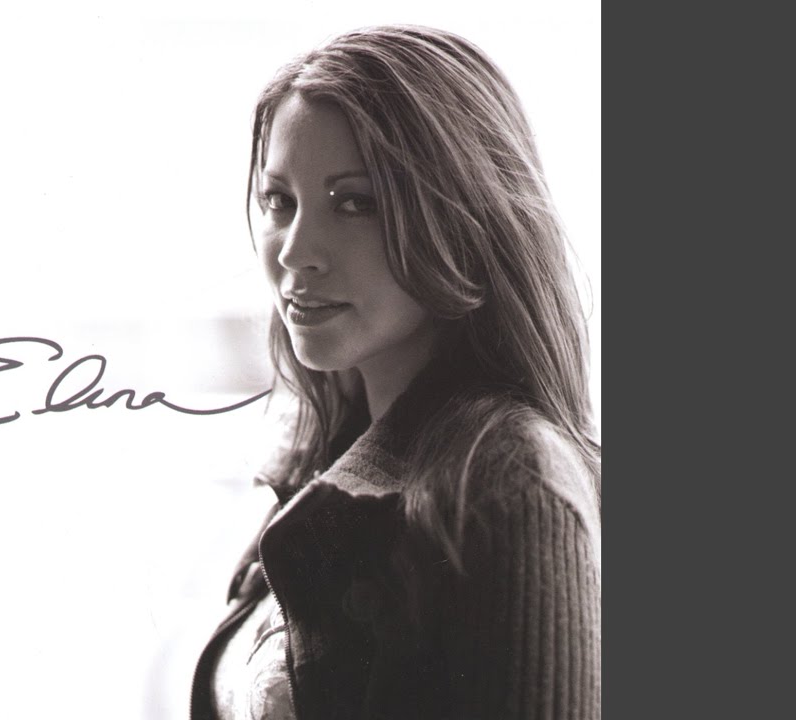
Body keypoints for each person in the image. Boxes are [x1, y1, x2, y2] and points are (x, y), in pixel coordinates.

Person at [190, 25, 601, 720]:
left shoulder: (508, 480)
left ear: (463, 219)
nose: (295, 251)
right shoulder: (323, 449)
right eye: (279, 201)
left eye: (356, 203)